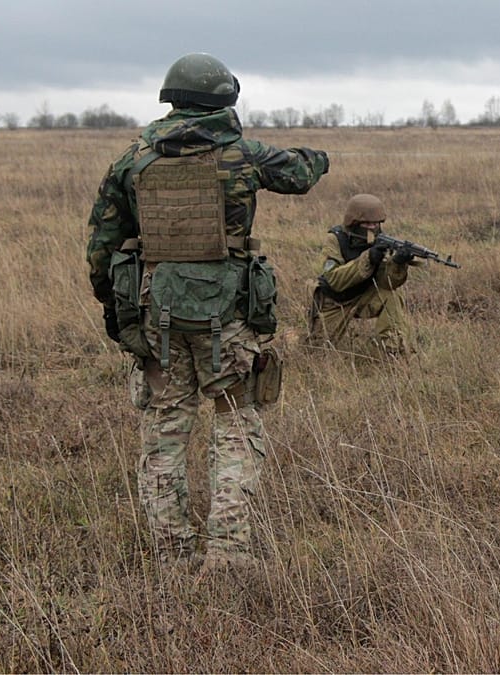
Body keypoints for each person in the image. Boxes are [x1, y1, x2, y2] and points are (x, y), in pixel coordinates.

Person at [86, 53, 329, 571]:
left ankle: (172, 555)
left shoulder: (134, 160)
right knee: (235, 428)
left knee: (164, 435)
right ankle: (228, 554)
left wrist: (119, 319)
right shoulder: (244, 155)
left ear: (171, 99)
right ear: (226, 99)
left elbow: (101, 251)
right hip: (231, 322)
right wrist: (319, 154)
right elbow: (302, 173)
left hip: (159, 319)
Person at [305, 194, 417, 356]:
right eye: (366, 223)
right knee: (316, 352)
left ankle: (393, 351)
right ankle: (290, 337)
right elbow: (334, 280)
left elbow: (386, 284)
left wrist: (397, 264)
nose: (372, 228)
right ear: (354, 222)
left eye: (375, 224)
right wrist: (368, 258)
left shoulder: (381, 241)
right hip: (336, 301)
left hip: (364, 296)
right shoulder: (335, 239)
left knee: (391, 295)